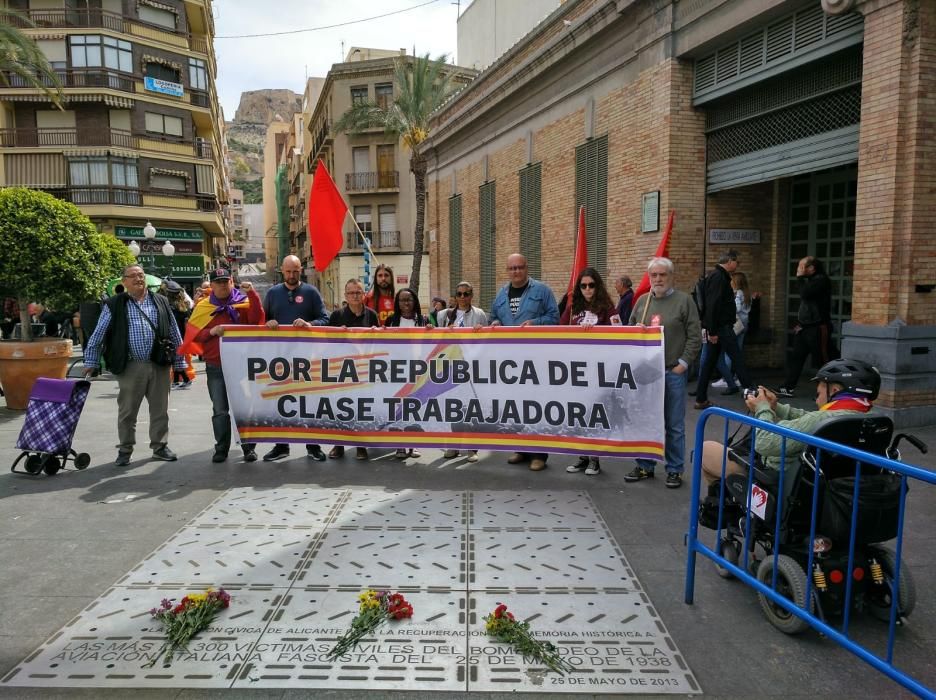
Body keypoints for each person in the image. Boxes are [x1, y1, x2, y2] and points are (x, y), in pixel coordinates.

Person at [700, 359, 881, 487]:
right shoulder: (869, 416)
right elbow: (807, 419)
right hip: (832, 485)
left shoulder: (822, 419)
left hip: (782, 481)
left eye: (818, 394)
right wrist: (776, 407)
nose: (816, 400)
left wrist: (762, 408)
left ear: (834, 390)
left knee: (706, 449)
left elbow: (764, 443)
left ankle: (740, 508)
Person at [83, 263, 185, 466]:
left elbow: (174, 332)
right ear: (124, 282)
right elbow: (98, 334)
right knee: (128, 411)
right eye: (133, 276)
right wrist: (91, 360)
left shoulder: (161, 301)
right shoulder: (114, 304)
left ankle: (160, 446)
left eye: (141, 275)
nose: (139, 278)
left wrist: (180, 361)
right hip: (130, 366)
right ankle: (125, 449)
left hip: (159, 364)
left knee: (160, 409)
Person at [625, 257, 701, 489]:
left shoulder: (684, 301)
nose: (658, 279)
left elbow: (695, 336)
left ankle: (675, 469)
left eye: (662, 275)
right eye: (654, 275)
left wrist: (682, 364)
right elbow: (629, 332)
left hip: (671, 372)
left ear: (671, 276)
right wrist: (635, 333)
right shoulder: (642, 302)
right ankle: (645, 466)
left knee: (674, 424)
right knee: (646, 420)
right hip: (647, 375)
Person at [183, 269, 265, 462]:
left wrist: (252, 294)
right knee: (220, 410)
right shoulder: (203, 307)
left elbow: (256, 321)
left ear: (231, 282)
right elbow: (195, 334)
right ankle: (221, 449)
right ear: (211, 285)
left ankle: (248, 449)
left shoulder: (243, 301)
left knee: (244, 409)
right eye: (218, 282)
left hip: (242, 365)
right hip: (215, 365)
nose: (222, 285)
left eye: (225, 281)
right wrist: (212, 331)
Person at [489, 253, 560, 471]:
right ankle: (521, 447)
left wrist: (537, 322)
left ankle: (539, 453)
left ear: (526, 268)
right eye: (512, 268)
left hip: (535, 358)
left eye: (520, 267)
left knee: (535, 405)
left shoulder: (542, 290)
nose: (516, 272)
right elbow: (494, 316)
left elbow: (555, 317)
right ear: (507, 270)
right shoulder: (501, 294)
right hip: (510, 360)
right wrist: (495, 321)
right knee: (515, 406)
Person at [262, 254, 329, 462]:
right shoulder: (272, 294)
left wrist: (311, 325)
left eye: (296, 271)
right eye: (288, 271)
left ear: (301, 270)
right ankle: (282, 445)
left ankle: (313, 445)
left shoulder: (311, 292)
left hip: (307, 359)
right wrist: (268, 323)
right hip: (279, 360)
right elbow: (260, 322)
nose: (292, 275)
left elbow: (325, 319)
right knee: (281, 402)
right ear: (282, 270)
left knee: (309, 402)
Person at [561, 267, 621, 476]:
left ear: (598, 286)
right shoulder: (572, 308)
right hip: (575, 370)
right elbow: (559, 332)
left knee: (595, 413)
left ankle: (595, 458)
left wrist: (596, 332)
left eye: (591, 285)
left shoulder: (607, 308)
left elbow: (619, 334)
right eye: (583, 285)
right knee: (579, 413)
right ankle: (582, 456)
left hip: (598, 370)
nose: (587, 289)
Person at [693, 250, 755, 409]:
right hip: (721, 328)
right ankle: (752, 394)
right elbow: (713, 305)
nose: (737, 265)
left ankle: (701, 398)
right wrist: (712, 331)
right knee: (737, 359)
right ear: (730, 261)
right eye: (737, 262)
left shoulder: (717, 277)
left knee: (709, 363)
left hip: (718, 328)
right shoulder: (719, 278)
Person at [327, 278, 380, 460]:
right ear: (345, 296)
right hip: (342, 370)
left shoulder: (372, 315)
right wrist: (338, 336)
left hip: (364, 370)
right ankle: (338, 445)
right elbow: (327, 344)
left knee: (361, 409)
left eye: (358, 292)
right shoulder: (336, 316)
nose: (355, 295)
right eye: (351, 293)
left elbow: (379, 344)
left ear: (364, 294)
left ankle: (361, 445)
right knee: (341, 408)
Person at [437, 281, 488, 462]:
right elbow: (435, 339)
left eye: (466, 294)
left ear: (472, 295)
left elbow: (488, 339)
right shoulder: (444, 315)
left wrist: (482, 331)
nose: (463, 298)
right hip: (451, 367)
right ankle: (454, 444)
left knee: (471, 408)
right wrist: (444, 332)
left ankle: (472, 448)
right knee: (454, 408)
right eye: (459, 294)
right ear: (455, 296)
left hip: (472, 368)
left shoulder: (480, 314)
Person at [777, 256, 834, 397]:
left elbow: (805, 293)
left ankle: (828, 391)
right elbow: (806, 305)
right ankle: (788, 387)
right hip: (805, 328)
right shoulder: (811, 281)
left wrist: (800, 277)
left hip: (818, 328)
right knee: (797, 356)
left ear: (811, 268)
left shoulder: (821, 280)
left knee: (822, 359)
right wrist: (800, 323)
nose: (798, 269)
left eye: (801, 266)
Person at [385, 288, 430, 459]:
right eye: (402, 300)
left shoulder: (424, 320)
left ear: (415, 301)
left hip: (418, 371)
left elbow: (435, 341)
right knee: (397, 408)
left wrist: (431, 330)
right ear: (397, 303)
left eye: (409, 299)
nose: (406, 303)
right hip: (396, 371)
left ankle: (414, 444)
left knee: (415, 408)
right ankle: (399, 445)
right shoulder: (391, 321)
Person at [711, 271, 752, 394]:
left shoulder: (738, 293)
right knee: (737, 353)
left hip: (736, 326)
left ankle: (727, 378)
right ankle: (737, 377)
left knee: (729, 354)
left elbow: (737, 308)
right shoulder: (747, 293)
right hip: (744, 325)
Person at [162, 280, 193, 389]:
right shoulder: (185, 305)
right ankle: (177, 381)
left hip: (174, 335)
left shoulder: (170, 307)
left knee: (175, 359)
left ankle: (185, 380)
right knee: (177, 359)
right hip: (184, 335)